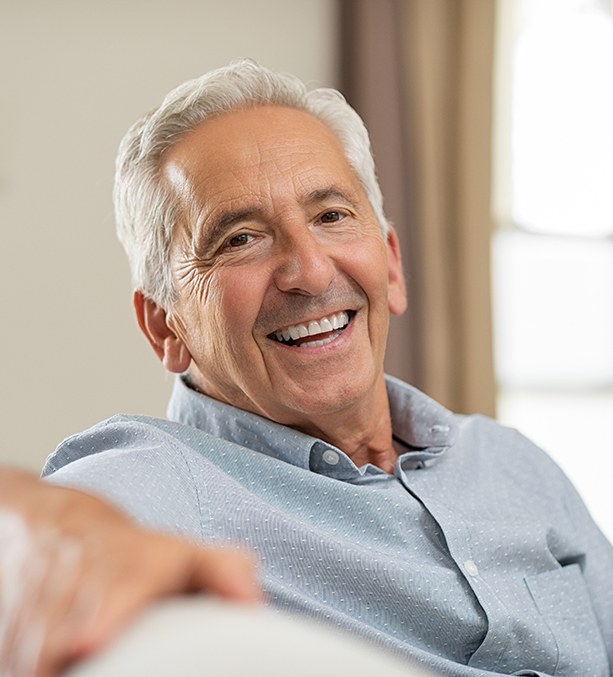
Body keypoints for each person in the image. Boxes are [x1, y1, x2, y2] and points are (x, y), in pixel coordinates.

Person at [3, 59, 612, 676]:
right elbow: (34, 527)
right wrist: (55, 529)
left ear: (393, 265)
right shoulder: (165, 477)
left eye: (331, 217)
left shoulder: (512, 463)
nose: (312, 272)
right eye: (240, 238)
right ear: (167, 326)